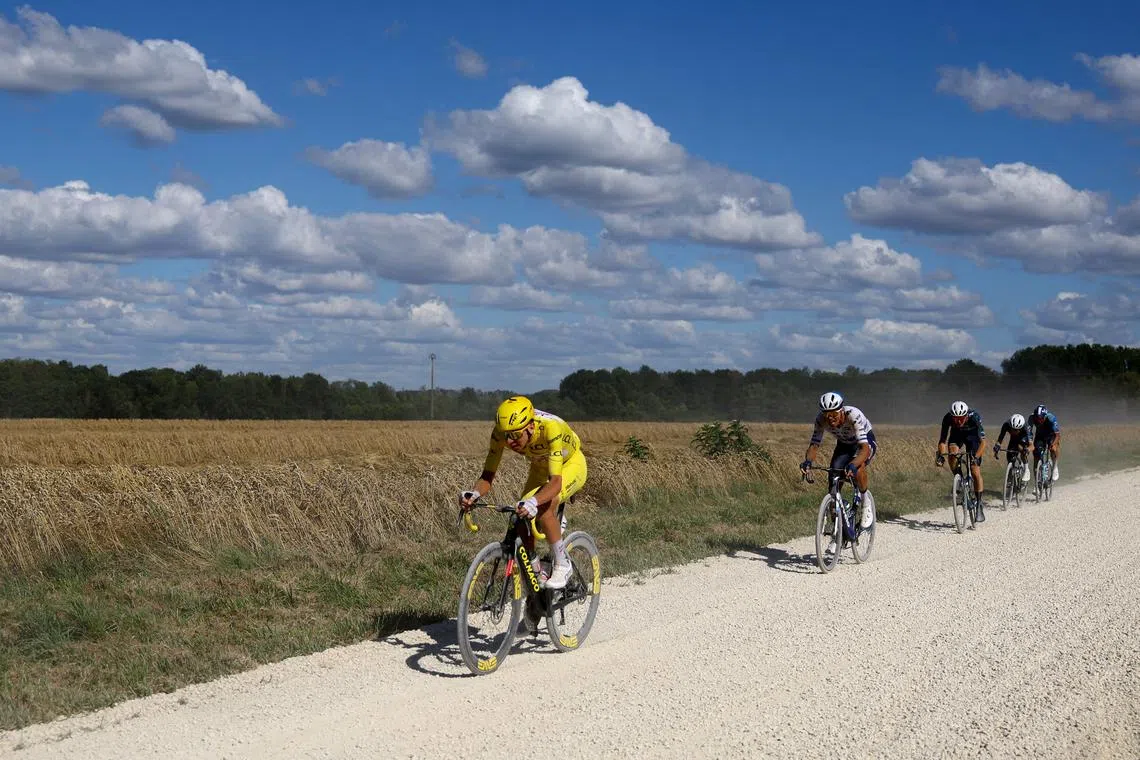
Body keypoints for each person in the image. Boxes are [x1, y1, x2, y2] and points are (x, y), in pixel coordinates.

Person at [459, 395, 587, 590]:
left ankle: (563, 564)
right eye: (506, 436)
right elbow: (487, 476)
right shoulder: (501, 434)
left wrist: (536, 502)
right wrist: (474, 494)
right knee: (520, 516)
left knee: (543, 508)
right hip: (540, 467)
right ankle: (537, 572)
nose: (510, 442)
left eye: (515, 435)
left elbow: (555, 483)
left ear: (530, 427)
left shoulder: (550, 428)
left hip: (569, 464)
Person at [799, 391, 877, 529]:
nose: (830, 419)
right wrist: (808, 462)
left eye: (834, 414)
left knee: (858, 469)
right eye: (826, 415)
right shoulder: (820, 420)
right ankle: (837, 530)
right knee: (833, 477)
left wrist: (853, 464)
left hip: (863, 443)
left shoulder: (853, 415)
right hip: (844, 444)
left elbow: (864, 449)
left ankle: (866, 505)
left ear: (841, 411)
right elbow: (814, 445)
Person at [935, 400, 987, 521]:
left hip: (973, 437)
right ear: (951, 416)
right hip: (957, 435)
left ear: (966, 415)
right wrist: (941, 455)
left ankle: (979, 504)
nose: (958, 421)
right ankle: (958, 478)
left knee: (975, 471)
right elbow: (942, 441)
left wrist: (976, 457)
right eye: (955, 418)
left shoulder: (974, 417)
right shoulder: (947, 418)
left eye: (961, 418)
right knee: (952, 452)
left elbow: (983, 442)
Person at [993, 413, 1031, 483]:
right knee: (1009, 455)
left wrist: (1027, 449)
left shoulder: (1026, 427)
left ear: (1021, 428)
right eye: (1012, 429)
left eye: (1016, 430)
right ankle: (1010, 477)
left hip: (1024, 438)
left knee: (1020, 447)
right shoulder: (1006, 425)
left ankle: (1026, 469)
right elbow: (1000, 438)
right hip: (1014, 439)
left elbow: (1031, 445)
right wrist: (997, 447)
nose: (1014, 431)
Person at [1028, 404, 1061, 482]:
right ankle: (1037, 482)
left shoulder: (1051, 418)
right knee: (1036, 455)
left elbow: (1057, 435)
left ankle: (1055, 466)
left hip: (1051, 435)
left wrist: (1053, 444)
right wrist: (1031, 443)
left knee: (1054, 449)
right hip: (1040, 436)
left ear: (1045, 416)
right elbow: (1029, 432)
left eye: (1041, 419)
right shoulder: (1032, 417)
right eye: (1037, 418)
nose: (1039, 421)